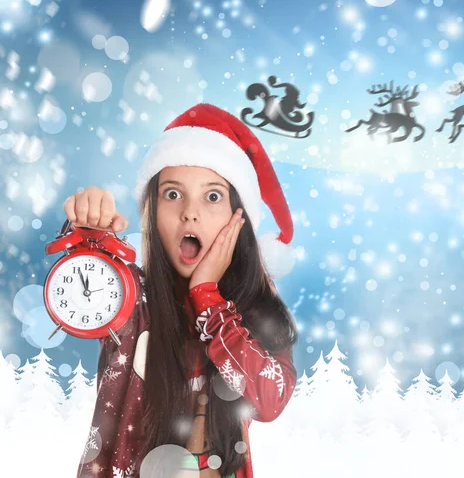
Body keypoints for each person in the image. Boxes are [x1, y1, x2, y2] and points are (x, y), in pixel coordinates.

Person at [70, 103, 299, 478]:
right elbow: (82, 285)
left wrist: (207, 297)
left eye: (212, 197)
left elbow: (270, 400)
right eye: (173, 195)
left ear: (236, 218)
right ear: (151, 211)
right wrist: (89, 232)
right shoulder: (128, 298)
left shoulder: (257, 311)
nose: (190, 213)